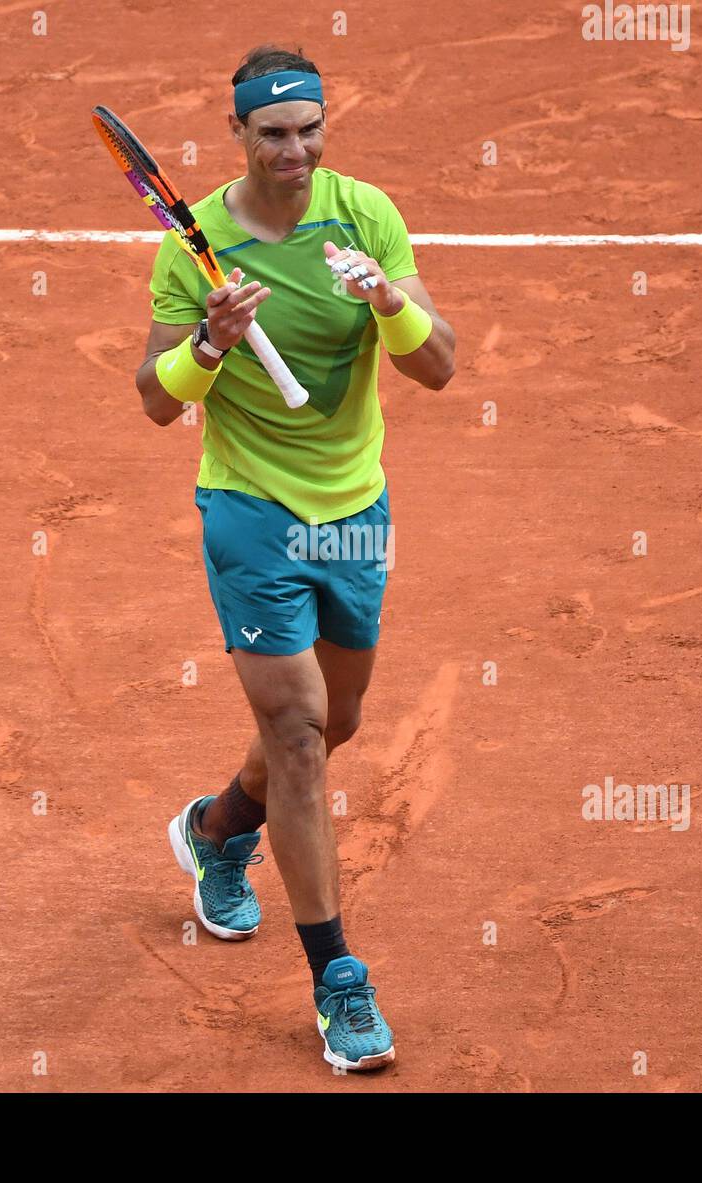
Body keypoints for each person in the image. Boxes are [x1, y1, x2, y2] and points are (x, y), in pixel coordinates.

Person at [136, 43, 455, 1072]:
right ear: (236, 135)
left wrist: (386, 301)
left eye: (310, 128)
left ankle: (220, 827)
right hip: (247, 510)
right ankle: (338, 982)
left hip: (353, 511)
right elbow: (154, 396)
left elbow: (440, 368)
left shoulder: (364, 215)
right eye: (272, 132)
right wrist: (213, 343)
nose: (295, 148)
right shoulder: (194, 249)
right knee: (301, 737)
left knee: (339, 719)